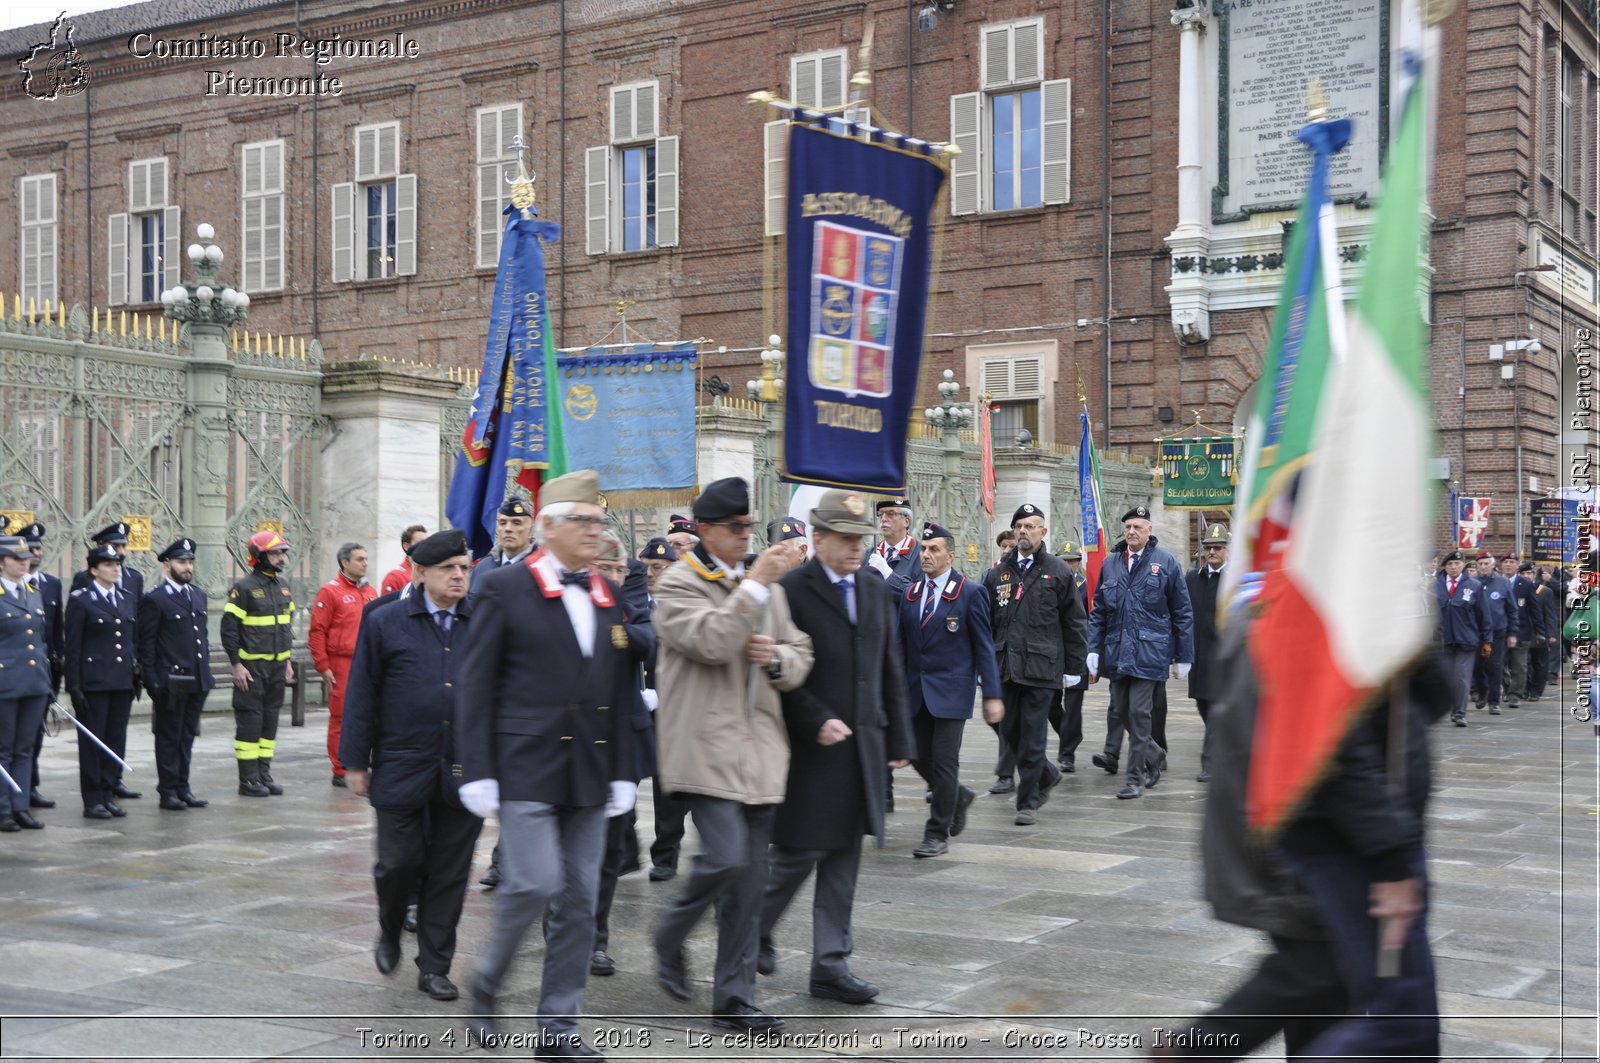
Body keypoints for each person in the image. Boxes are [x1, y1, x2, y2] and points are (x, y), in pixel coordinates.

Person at [1159, 600, 1446, 1060]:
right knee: (1337, 986)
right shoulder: (1300, 607)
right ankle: (1192, 1050)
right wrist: (1390, 852)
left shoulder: (1334, 598)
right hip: (1321, 842)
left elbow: (1434, 693)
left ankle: (1192, 1050)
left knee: (1321, 989)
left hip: (1335, 836)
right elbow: (1334, 747)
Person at [454, 470, 640, 1058]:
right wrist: (476, 768)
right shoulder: (506, 588)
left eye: (598, 520)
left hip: (589, 768)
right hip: (525, 763)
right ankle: (487, 985)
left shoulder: (607, 594)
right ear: (550, 527)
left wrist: (624, 770)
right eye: (583, 520)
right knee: (534, 882)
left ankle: (559, 1027)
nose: (596, 531)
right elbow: (475, 682)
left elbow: (622, 689)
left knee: (580, 901)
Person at [651, 476, 812, 1035]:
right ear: (704, 532)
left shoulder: (759, 584)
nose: (747, 535)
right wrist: (757, 587)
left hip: (760, 750)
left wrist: (777, 662)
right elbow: (713, 641)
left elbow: (799, 649)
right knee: (724, 859)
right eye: (735, 528)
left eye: (748, 526)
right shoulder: (678, 584)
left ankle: (734, 999)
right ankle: (669, 934)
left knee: (748, 882)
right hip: (703, 749)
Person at [756, 490, 913, 1005]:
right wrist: (815, 719)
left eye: (860, 539)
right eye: (844, 539)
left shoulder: (872, 587)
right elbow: (778, 671)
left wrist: (899, 738)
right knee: (797, 856)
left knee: (844, 858)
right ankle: (753, 929)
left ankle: (830, 965)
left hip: (862, 744)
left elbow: (888, 665)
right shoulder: (792, 590)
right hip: (809, 747)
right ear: (817, 539)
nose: (854, 548)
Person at [341, 529, 483, 1004]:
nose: (459, 576)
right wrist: (355, 762)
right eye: (448, 569)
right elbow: (362, 693)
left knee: (450, 871)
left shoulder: (484, 621)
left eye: (464, 567)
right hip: (402, 765)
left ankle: (435, 966)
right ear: (421, 574)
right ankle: (388, 927)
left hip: (465, 770)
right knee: (398, 863)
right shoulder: (385, 621)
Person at [898, 522, 1002, 858]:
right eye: (923, 550)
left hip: (951, 693)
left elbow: (984, 647)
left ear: (950, 556)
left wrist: (992, 694)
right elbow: (902, 648)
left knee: (944, 762)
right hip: (916, 692)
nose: (925, 555)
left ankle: (936, 832)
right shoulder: (911, 593)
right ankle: (957, 795)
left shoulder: (970, 593)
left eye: (933, 550)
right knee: (913, 754)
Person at [982, 503, 1088, 824]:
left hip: (1043, 668)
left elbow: (1074, 622)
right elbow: (987, 622)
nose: (1024, 531)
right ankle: (1046, 772)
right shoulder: (998, 572)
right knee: (1006, 730)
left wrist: (1075, 668)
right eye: (1019, 526)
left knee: (1032, 736)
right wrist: (984, 668)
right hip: (1006, 667)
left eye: (1031, 526)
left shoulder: (1057, 571)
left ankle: (1027, 801)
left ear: (1043, 532)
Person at [1086, 506, 1194, 800]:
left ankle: (1134, 778)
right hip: (1118, 651)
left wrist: (1184, 655)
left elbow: (1181, 612)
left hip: (1150, 651)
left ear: (1149, 530)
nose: (1132, 531)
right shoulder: (1111, 564)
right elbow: (1099, 611)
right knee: (1121, 711)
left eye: (1138, 527)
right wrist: (1093, 650)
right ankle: (1155, 753)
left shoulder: (1166, 561)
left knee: (1139, 712)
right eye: (1128, 526)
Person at [587, 530, 657, 978]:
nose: (618, 576)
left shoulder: (630, 593)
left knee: (612, 847)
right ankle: (565, 923)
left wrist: (619, 631)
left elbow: (648, 639)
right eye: (606, 569)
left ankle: (597, 938)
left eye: (621, 569)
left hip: (619, 741)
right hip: (572, 741)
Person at [135, 538, 213, 811]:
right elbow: (146, 645)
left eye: (190, 562)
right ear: (167, 564)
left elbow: (200, 638)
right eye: (182, 562)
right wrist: (153, 681)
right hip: (171, 681)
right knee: (169, 738)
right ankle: (167, 790)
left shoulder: (197, 595)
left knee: (187, 737)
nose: (187, 567)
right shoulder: (155, 599)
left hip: (197, 679)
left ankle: (183, 787)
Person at [71, 521, 144, 801]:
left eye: (118, 562)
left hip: (121, 677)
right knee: (93, 741)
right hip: (95, 678)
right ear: (94, 569)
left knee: (115, 737)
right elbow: (75, 644)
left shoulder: (127, 593)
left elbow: (132, 634)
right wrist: (75, 685)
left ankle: (110, 786)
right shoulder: (82, 597)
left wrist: (135, 670)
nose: (117, 567)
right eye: (109, 562)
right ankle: (94, 797)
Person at [220, 529, 296, 797]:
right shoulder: (243, 588)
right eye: (275, 553)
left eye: (282, 553)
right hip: (251, 670)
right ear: (258, 556)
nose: (280, 558)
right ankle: (248, 779)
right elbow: (229, 630)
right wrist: (236, 664)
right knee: (250, 723)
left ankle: (264, 773)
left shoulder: (283, 586)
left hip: (277, 667)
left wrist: (286, 660)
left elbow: (286, 626)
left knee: (270, 722)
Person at [638, 536, 691, 883]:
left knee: (669, 786)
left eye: (658, 568)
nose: (650, 574)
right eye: (644, 568)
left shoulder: (686, 606)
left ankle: (666, 855)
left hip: (677, 709)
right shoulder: (633, 606)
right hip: (640, 706)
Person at [310, 542, 378, 787]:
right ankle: (340, 768)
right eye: (359, 559)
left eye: (366, 559)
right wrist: (323, 665)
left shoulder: (370, 591)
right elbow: (317, 631)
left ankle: (360, 762)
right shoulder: (330, 592)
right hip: (341, 663)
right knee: (340, 716)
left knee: (365, 714)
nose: (365, 563)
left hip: (365, 661)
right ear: (344, 563)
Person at [0, 535, 52, 831]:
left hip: (33, 684)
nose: (24, 562)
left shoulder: (33, 593)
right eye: (16, 558)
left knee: (25, 749)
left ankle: (20, 806)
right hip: (5, 684)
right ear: (1, 563)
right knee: (3, 749)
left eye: (26, 558)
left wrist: (46, 681)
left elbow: (39, 643)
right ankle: (3, 808)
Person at [20, 521, 62, 811]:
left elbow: (56, 632)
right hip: (13, 671)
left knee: (34, 735)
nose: (36, 553)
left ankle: (31, 787)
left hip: (43, 671)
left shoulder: (52, 584)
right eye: (29, 549)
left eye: (38, 548)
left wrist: (57, 675)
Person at [1184, 523, 1230, 782]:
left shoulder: (1235, 578)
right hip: (1198, 655)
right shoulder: (1193, 577)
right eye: (1208, 548)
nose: (1212, 552)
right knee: (1204, 705)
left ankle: (1210, 763)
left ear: (1227, 551)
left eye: (1218, 548)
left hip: (1222, 655)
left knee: (1215, 708)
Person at [1434, 549, 1489, 727]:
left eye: (1457, 563)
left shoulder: (1474, 586)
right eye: (1450, 564)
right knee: (1448, 678)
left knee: (1462, 677)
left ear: (1463, 565)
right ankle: (1452, 707)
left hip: (1467, 640)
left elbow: (1484, 615)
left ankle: (1460, 713)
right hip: (1444, 640)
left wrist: (1487, 639)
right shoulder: (1436, 586)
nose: (1453, 567)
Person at [1049, 540, 1090, 773]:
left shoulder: (1085, 585)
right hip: (1053, 651)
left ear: (1078, 563)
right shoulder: (1050, 581)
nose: (1067, 565)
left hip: (1077, 650)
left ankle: (1067, 754)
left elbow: (1089, 620)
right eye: (1063, 561)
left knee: (1073, 705)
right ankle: (1070, 734)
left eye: (1071, 561)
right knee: (1051, 704)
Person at [1470, 550, 1516, 715]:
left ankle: (1494, 702)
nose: (1483, 567)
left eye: (1486, 563)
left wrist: (1512, 633)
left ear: (1493, 564)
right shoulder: (1472, 582)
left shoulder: (1503, 583)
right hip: (1476, 632)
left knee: (1495, 666)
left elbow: (1512, 609)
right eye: (1480, 564)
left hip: (1497, 631)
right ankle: (1482, 691)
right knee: (1476, 665)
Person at [468, 497, 535, 593]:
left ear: (531, 531)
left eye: (516, 523)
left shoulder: (540, 568)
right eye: (503, 523)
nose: (508, 529)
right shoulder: (483, 567)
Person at [862, 498, 920, 593]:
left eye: (891, 514)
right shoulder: (869, 554)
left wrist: (889, 575)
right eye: (880, 515)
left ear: (906, 521)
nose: (883, 519)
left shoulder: (921, 554)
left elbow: (919, 596)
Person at [1506, 557, 1541, 708]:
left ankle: (1515, 694)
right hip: (1501, 630)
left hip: (1522, 629)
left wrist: (1540, 631)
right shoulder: (1497, 582)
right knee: (1499, 664)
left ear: (1517, 566)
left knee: (1519, 665)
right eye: (1505, 562)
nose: (1508, 565)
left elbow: (1534, 609)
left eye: (1512, 562)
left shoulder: (1526, 585)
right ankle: (1507, 687)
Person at [1524, 565, 1557, 701]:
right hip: (1524, 631)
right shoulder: (1518, 589)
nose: (1526, 576)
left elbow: (1550, 614)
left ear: (1533, 575)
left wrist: (1551, 634)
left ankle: (1536, 689)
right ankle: (1526, 688)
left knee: (1540, 663)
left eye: (1529, 573)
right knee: (1525, 663)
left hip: (1540, 632)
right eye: (1523, 573)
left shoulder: (1543, 591)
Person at [380, 525, 428, 595]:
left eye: (426, 543)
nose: (425, 547)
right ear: (406, 546)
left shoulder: (430, 573)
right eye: (420, 543)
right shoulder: (394, 577)